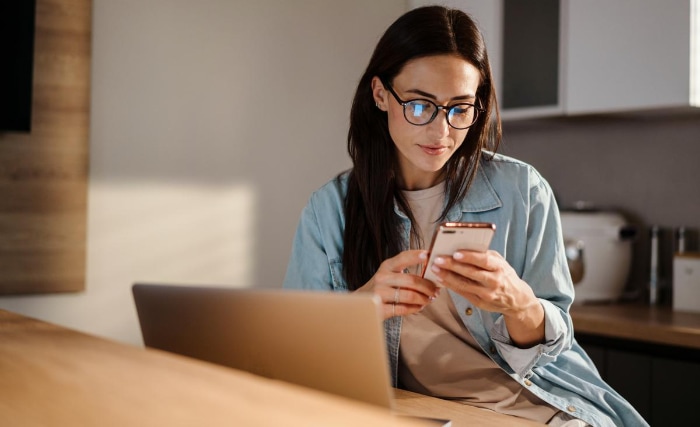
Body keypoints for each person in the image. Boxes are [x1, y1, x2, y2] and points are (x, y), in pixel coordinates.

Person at [282, 6, 647, 427]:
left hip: (539, 408)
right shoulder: (329, 211)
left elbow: (553, 346)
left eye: (459, 108)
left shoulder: (523, 191)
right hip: (424, 414)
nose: (442, 133)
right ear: (380, 94)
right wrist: (359, 309)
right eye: (420, 106)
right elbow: (296, 354)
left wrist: (519, 303)